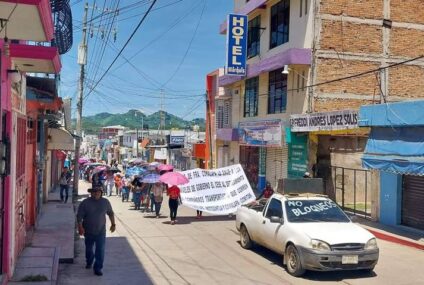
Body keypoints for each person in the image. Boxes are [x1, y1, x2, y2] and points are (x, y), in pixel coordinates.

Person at [77, 187, 115, 276]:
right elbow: (79, 216)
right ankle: (89, 261)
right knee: (89, 249)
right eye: (94, 192)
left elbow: (110, 213)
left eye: (98, 192)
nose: (96, 193)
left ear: (101, 193)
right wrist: (80, 227)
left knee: (100, 250)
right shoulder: (85, 203)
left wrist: (113, 224)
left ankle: (98, 268)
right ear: (91, 193)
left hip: (101, 231)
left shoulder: (105, 202)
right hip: (88, 231)